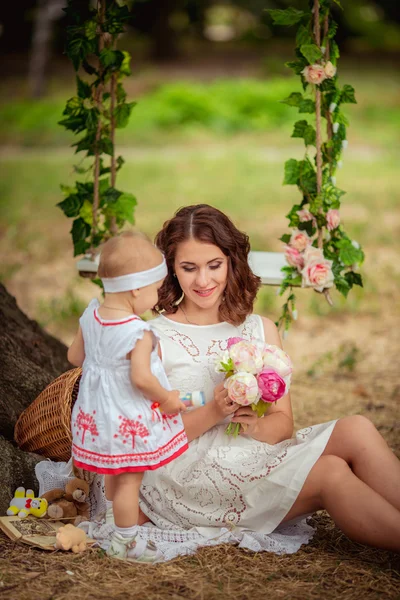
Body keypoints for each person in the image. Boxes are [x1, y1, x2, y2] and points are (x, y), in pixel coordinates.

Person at [136, 204, 400, 553]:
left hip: (249, 451)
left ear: (232, 261)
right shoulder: (152, 336)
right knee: (330, 473)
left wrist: (253, 426)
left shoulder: (260, 329)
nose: (203, 280)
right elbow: (147, 440)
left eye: (214, 265)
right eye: (189, 268)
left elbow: (282, 424)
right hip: (186, 475)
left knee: (356, 428)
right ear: (171, 269)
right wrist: (215, 411)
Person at [67, 231, 188, 562]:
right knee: (130, 482)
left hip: (96, 416)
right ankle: (126, 541)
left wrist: (100, 367)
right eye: (155, 289)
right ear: (136, 288)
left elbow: (75, 357)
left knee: (112, 473)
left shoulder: (90, 315)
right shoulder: (139, 332)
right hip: (126, 418)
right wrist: (168, 399)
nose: (156, 296)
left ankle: (111, 523)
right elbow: (141, 377)